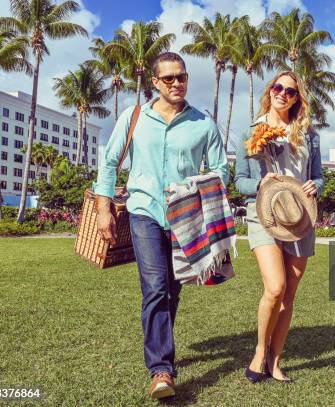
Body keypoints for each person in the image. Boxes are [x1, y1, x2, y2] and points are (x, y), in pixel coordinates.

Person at [93, 52, 228, 399]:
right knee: (154, 286)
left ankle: (161, 347)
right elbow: (109, 163)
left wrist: (193, 187)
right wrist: (103, 207)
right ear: (154, 82)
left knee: (173, 288)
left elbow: (221, 170)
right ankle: (161, 370)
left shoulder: (203, 123)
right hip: (144, 210)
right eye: (167, 78)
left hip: (186, 218)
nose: (176, 83)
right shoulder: (134, 117)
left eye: (180, 77)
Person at [235, 71, 324, 383]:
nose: (283, 93)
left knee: (289, 295)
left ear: (297, 98)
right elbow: (239, 181)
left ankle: (275, 361)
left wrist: (317, 186)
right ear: (269, 90)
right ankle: (260, 351)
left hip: (299, 216)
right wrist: (260, 181)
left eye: (290, 91)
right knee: (275, 287)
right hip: (263, 214)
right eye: (278, 87)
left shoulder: (308, 134)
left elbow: (319, 175)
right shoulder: (252, 130)